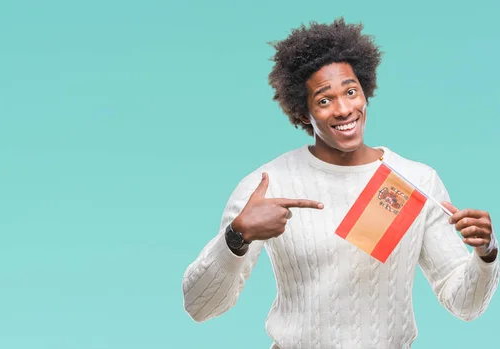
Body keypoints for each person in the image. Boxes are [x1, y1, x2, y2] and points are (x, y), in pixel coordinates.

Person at [181, 18, 499, 349]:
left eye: (350, 92)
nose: (344, 109)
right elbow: (200, 306)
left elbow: (464, 305)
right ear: (304, 113)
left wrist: (486, 253)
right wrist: (237, 236)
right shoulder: (268, 185)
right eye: (324, 100)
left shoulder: (415, 180)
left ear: (365, 92)